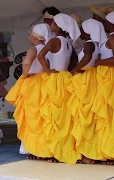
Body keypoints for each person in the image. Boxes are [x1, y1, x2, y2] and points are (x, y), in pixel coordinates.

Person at [37, 13, 81, 164]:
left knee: (55, 116)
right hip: (66, 78)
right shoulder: (68, 42)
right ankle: (65, 149)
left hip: (55, 79)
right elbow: (74, 61)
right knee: (65, 117)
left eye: (54, 23)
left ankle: (57, 151)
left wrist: (48, 72)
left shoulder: (55, 40)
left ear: (60, 26)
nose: (51, 25)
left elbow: (40, 56)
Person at [6, 24, 53, 159]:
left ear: (34, 36)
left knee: (32, 118)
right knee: (43, 117)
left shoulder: (34, 49)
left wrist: (25, 75)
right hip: (45, 82)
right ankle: (46, 149)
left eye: (30, 34)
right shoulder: (48, 49)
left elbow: (27, 63)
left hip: (33, 84)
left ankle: (34, 149)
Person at [68, 19, 107, 164]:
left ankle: (89, 153)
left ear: (89, 31)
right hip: (90, 77)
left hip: (86, 78)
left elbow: (87, 57)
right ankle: (91, 152)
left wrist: (76, 69)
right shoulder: (95, 44)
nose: (81, 33)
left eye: (83, 30)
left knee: (85, 116)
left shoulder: (89, 44)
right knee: (88, 116)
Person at [94, 12, 114, 165]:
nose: (104, 24)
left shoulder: (113, 38)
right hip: (106, 78)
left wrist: (98, 61)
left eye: (106, 22)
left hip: (110, 78)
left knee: (109, 115)